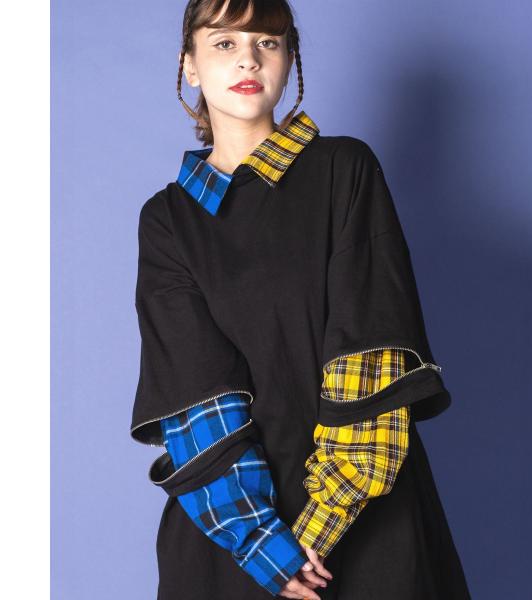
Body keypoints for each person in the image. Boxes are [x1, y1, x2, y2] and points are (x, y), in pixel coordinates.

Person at [130, 1, 472, 599]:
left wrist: (311, 536)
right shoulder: (168, 220)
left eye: (267, 42)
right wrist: (264, 545)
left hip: (363, 517)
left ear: (289, 59)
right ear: (189, 64)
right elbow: (191, 393)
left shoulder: (344, 169)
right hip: (232, 531)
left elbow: (372, 353)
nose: (248, 59)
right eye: (225, 43)